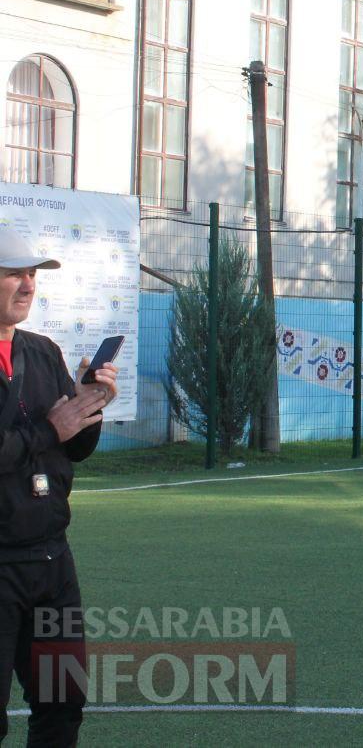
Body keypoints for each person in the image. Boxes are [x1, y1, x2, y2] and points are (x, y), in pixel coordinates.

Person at [0, 227, 117, 746]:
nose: (27, 285)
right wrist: (51, 427)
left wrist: (89, 409)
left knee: (62, 703)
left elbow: (72, 450)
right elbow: (45, 436)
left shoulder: (44, 351)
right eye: (14, 274)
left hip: (51, 564)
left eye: (32, 274)